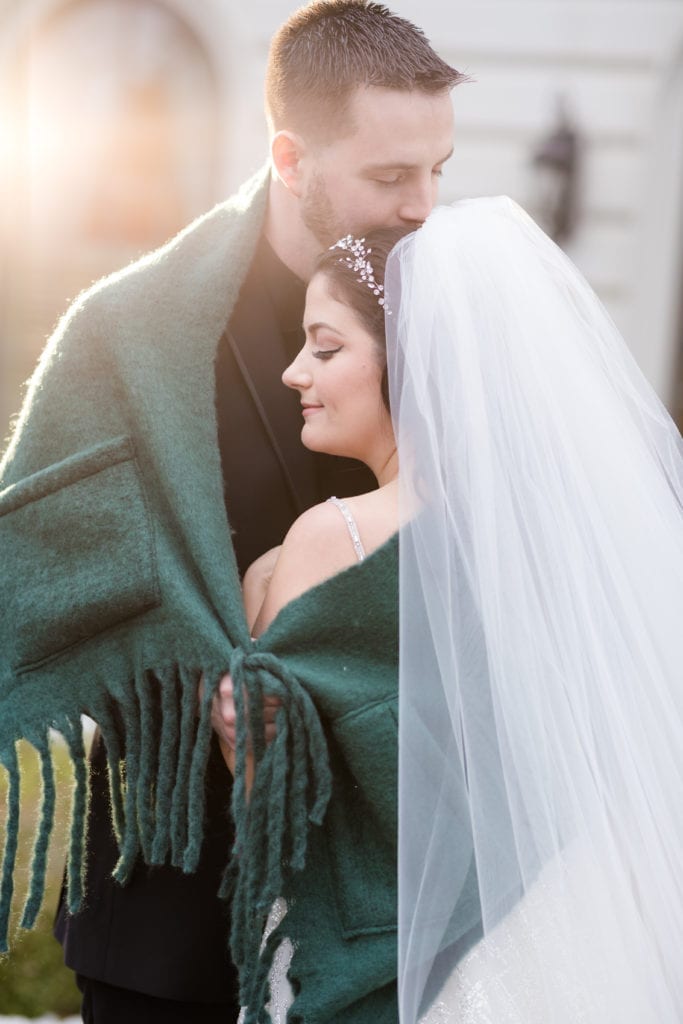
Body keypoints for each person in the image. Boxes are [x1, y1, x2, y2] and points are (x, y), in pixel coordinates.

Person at [0, 2, 464, 1022]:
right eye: (390, 176)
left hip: (385, 912)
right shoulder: (125, 337)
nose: (424, 205)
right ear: (291, 159)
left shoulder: (452, 316)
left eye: (438, 168)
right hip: (169, 904)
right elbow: (47, 584)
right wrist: (184, 674)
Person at [221, 200, 683, 1022]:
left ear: (406, 355)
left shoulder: (336, 536)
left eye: (324, 346)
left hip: (390, 968)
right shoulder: (550, 543)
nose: (295, 371)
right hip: (557, 942)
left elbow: (276, 803)